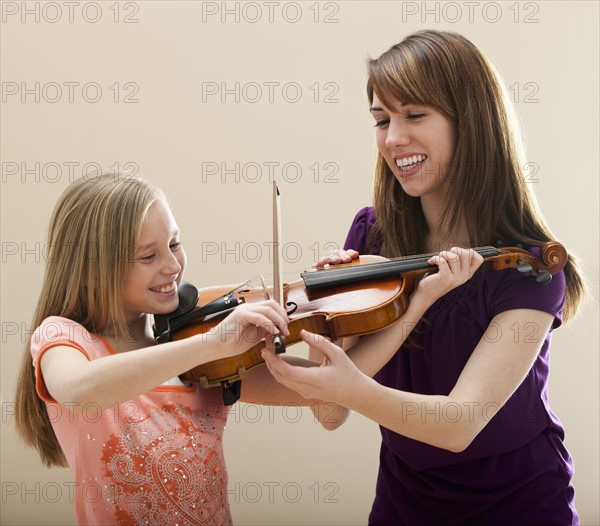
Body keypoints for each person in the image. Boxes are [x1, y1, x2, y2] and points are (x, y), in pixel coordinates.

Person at [14, 170, 478, 525]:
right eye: (148, 255)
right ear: (95, 265)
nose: (173, 264)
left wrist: (417, 303)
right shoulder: (68, 339)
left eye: (175, 243)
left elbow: (323, 391)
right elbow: (79, 392)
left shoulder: (206, 361)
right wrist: (212, 343)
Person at [262, 30, 587, 525]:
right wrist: (319, 312)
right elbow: (330, 414)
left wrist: (348, 386)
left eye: (415, 115)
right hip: (403, 502)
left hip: (519, 505)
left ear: (471, 122)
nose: (393, 138)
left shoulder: (530, 268)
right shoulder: (371, 236)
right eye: (381, 119)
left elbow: (459, 425)